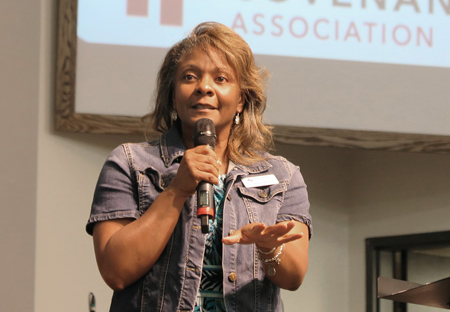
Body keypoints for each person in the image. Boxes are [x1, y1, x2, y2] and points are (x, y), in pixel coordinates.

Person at [86, 22, 311, 312]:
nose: (204, 87)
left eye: (221, 78)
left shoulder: (283, 176)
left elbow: (294, 277)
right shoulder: (129, 164)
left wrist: (268, 248)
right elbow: (116, 271)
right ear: (172, 93)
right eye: (190, 76)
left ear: (241, 99)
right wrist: (176, 190)